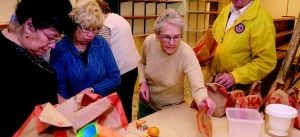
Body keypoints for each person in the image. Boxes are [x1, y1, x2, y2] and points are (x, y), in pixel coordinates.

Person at [0, 0, 73, 136]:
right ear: (29, 26)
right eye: (51, 37)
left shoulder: (27, 48)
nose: (53, 45)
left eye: (57, 39)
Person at [138, 8, 216, 118]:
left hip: (171, 108)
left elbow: (197, 86)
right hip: (146, 104)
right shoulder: (149, 42)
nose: (172, 43)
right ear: (157, 35)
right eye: (166, 37)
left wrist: (203, 100)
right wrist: (143, 83)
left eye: (176, 37)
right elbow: (142, 63)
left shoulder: (186, 53)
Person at [50, 1, 121, 102]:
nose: (91, 35)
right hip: (74, 108)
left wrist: (92, 90)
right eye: (86, 29)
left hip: (100, 105)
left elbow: (115, 77)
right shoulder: (60, 49)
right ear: (75, 25)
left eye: (95, 29)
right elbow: (61, 90)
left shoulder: (100, 43)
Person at [209, 0, 277, 93]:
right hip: (215, 81)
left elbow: (266, 61)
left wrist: (235, 76)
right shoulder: (226, 10)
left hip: (240, 87)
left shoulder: (262, 19)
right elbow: (215, 37)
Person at [97, 0, 140, 122]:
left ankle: (120, 129)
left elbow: (102, 49)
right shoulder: (118, 18)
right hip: (133, 66)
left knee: (117, 105)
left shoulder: (105, 24)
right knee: (127, 101)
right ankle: (128, 128)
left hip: (120, 70)